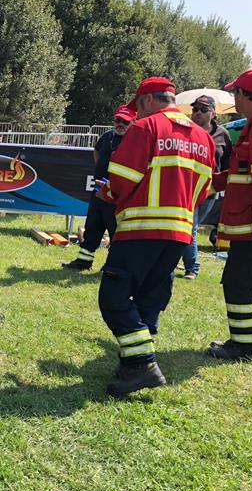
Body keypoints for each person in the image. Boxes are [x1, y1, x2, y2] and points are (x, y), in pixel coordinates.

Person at [95, 77, 215, 397]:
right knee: (150, 296)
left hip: (140, 228)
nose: (136, 115)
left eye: (138, 107)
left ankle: (142, 364)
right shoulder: (204, 138)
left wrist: (107, 192)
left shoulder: (146, 128)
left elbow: (122, 179)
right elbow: (206, 189)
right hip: (178, 232)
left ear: (148, 101)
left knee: (114, 297)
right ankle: (132, 362)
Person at [208, 69, 252, 361]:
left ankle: (245, 346)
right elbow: (242, 173)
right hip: (250, 223)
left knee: (239, 282)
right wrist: (211, 181)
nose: (233, 97)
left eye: (235, 92)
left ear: (243, 95)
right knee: (250, 281)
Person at [63, 105, 136, 270]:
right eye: (118, 120)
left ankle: (112, 265)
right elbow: (96, 151)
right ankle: (84, 261)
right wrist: (100, 170)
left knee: (115, 230)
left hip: (117, 194)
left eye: (125, 121)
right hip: (98, 191)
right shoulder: (107, 137)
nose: (121, 124)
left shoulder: (134, 141)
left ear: (133, 122)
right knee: (93, 227)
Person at [180, 94, 232, 279]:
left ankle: (188, 265)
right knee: (189, 227)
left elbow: (228, 162)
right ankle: (192, 267)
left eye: (203, 110)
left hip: (211, 190)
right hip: (187, 188)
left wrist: (224, 183)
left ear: (213, 113)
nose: (198, 113)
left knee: (190, 227)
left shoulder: (222, 134)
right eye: (195, 109)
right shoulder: (186, 131)